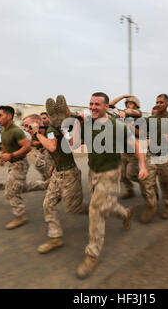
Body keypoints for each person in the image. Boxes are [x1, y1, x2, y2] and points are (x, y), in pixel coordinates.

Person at [71, 92, 148, 279]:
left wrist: (143, 165)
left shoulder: (118, 126)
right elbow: (73, 145)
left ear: (107, 107)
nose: (93, 107)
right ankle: (125, 213)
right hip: (93, 172)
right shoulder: (87, 125)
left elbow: (136, 144)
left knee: (96, 210)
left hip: (110, 174)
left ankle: (92, 254)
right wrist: (76, 124)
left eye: (97, 104)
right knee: (107, 206)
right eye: (90, 103)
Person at [31, 96, 87, 254]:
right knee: (48, 204)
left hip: (69, 174)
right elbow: (59, 150)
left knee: (74, 208)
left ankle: (98, 211)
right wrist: (54, 165)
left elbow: (53, 147)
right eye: (49, 116)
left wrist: (36, 134)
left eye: (46, 117)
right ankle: (56, 237)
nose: (47, 119)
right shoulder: (53, 130)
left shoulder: (52, 131)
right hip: (58, 174)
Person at [139, 94, 168, 223]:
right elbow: (141, 134)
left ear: (167, 103)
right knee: (146, 181)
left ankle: (167, 204)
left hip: (167, 156)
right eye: (157, 102)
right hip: (152, 155)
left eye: (161, 102)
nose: (159, 104)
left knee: (167, 182)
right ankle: (151, 205)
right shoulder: (151, 119)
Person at [0, 106, 48, 230]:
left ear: (9, 116)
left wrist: (10, 155)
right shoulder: (3, 130)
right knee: (21, 187)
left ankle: (20, 216)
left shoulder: (16, 131)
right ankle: (47, 185)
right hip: (12, 163)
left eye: (0, 115)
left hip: (20, 164)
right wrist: (2, 156)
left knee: (11, 191)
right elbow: (4, 143)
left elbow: (27, 147)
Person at [109, 95, 143, 199]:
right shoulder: (122, 114)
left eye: (131, 103)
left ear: (136, 106)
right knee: (122, 175)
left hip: (133, 152)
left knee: (131, 174)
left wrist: (130, 125)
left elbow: (141, 134)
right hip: (123, 151)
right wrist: (123, 96)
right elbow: (109, 106)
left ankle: (147, 183)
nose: (128, 105)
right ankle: (130, 190)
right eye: (127, 103)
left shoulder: (139, 116)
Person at [22, 114, 54, 182]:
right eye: (25, 127)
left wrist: (44, 144)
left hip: (55, 158)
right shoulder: (34, 133)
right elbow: (32, 142)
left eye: (28, 126)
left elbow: (53, 148)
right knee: (38, 164)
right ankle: (47, 178)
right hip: (42, 152)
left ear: (37, 122)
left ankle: (52, 178)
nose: (27, 130)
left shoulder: (50, 131)